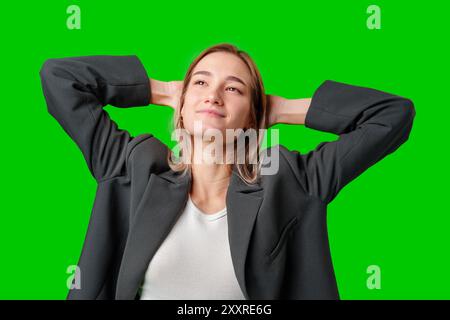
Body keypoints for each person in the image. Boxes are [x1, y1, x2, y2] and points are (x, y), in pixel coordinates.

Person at [39, 43, 415, 300]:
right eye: (200, 82)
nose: (213, 95)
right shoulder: (132, 166)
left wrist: (283, 110)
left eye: (234, 89)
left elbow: (392, 116)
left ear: (255, 115)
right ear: (182, 106)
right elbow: (59, 77)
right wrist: (162, 89)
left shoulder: (291, 180)